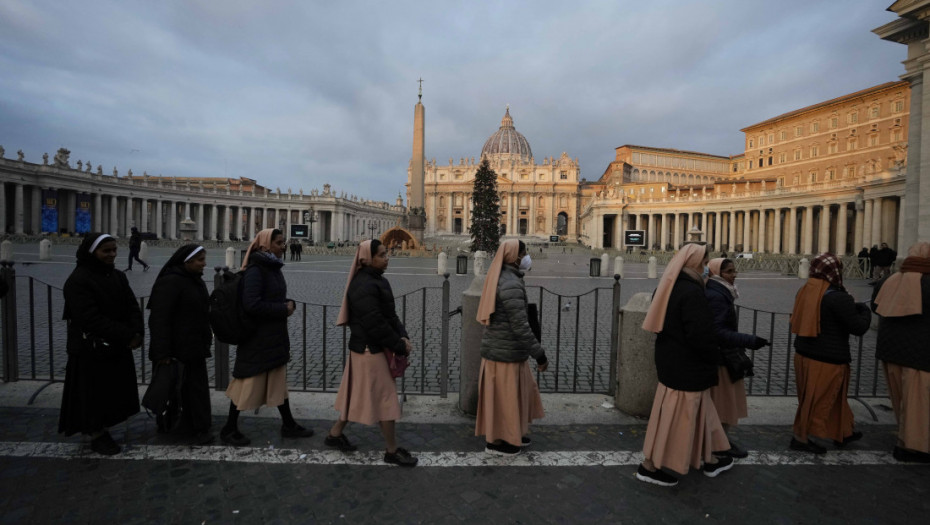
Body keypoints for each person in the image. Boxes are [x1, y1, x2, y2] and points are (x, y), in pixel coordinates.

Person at [636, 243, 733, 487]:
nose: (706, 269)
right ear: (693, 264)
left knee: (698, 413)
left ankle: (708, 457)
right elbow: (699, 335)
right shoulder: (691, 292)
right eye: (703, 264)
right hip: (687, 367)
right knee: (677, 420)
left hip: (672, 361)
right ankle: (651, 465)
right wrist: (714, 356)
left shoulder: (668, 286)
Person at [325, 239, 418, 466]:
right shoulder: (364, 286)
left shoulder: (377, 280)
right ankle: (391, 450)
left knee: (356, 394)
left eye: (387, 254)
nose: (388, 258)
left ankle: (335, 435)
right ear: (369, 258)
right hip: (369, 349)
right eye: (383, 255)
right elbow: (375, 323)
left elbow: (390, 315)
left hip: (367, 348)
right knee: (386, 399)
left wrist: (402, 335)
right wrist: (398, 344)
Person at [220, 228, 313, 446]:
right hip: (258, 338)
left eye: (284, 242)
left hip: (271, 336)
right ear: (264, 246)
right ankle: (229, 428)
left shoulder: (271, 268)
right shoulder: (256, 270)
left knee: (278, 383)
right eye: (279, 243)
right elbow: (251, 304)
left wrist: (286, 303)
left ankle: (288, 424)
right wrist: (282, 309)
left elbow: (270, 296)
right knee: (246, 383)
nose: (283, 246)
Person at [59, 233, 143, 455]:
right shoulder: (78, 280)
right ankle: (96, 433)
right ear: (92, 252)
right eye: (106, 251)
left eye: (114, 250)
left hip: (115, 344)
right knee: (93, 393)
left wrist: (137, 331)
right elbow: (89, 319)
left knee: (111, 390)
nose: (112, 254)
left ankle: (104, 425)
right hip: (90, 348)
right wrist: (127, 334)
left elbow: (132, 306)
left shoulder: (117, 276)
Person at [789, 253, 871, 454]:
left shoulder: (805, 290)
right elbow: (858, 327)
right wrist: (864, 310)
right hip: (828, 359)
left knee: (832, 398)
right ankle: (800, 438)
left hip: (803, 354)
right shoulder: (838, 297)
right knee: (818, 401)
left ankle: (843, 432)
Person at [475, 240, 549, 456]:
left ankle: (512, 432)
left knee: (516, 394)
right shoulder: (510, 283)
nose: (527, 257)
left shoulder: (506, 277)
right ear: (515, 257)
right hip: (504, 351)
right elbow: (520, 325)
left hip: (506, 349)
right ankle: (498, 441)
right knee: (506, 400)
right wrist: (540, 354)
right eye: (524, 253)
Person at [147, 244, 214, 445]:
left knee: (196, 389)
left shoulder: (195, 280)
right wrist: (162, 352)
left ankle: (199, 426)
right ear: (187, 261)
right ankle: (172, 423)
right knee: (173, 388)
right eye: (200, 260)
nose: (204, 263)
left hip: (194, 346)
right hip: (175, 349)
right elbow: (159, 320)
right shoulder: (170, 282)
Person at [872, 241, 930, 463]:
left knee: (901, 400)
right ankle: (911, 446)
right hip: (920, 356)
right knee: (919, 405)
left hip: (890, 352)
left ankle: (904, 441)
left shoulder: (889, 280)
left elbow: (876, 307)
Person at [705, 258, 768, 459]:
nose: (734, 274)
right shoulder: (717, 295)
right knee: (724, 405)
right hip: (723, 357)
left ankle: (719, 441)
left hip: (723, 354)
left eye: (734, 270)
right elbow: (717, 331)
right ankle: (719, 444)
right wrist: (748, 340)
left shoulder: (721, 291)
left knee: (722, 404)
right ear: (717, 273)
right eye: (729, 271)